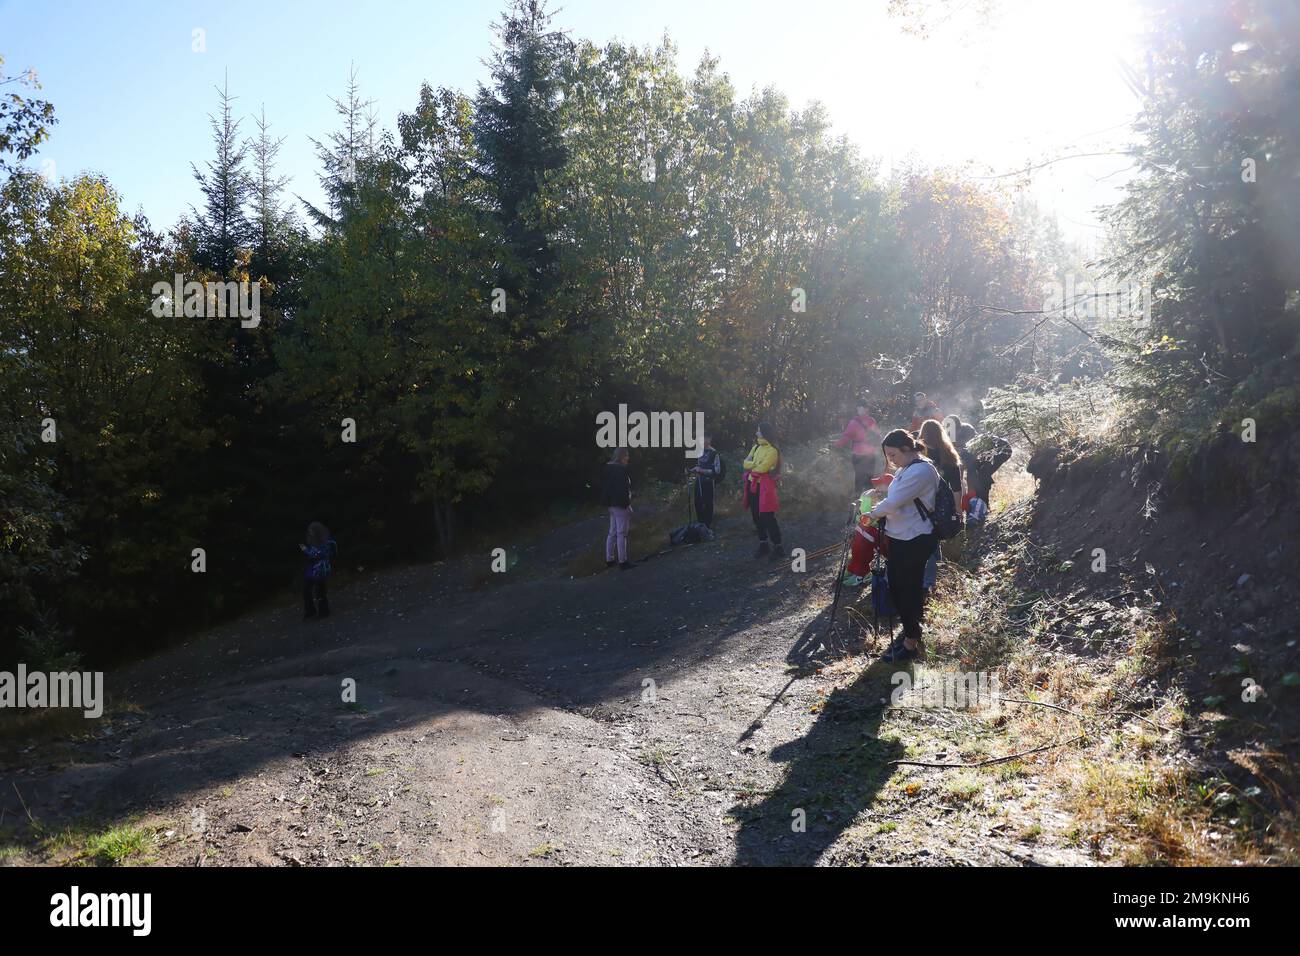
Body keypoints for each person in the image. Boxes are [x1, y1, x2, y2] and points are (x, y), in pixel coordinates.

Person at [867, 430, 939, 662]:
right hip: (902, 536)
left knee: (904, 589)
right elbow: (895, 496)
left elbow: (895, 501)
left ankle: (910, 642)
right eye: (888, 455)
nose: (890, 460)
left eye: (893, 454)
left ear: (907, 449)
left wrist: (873, 513)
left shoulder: (921, 470)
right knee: (900, 588)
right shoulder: (906, 468)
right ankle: (911, 632)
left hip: (914, 538)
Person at [919, 418, 964, 592]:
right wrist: (958, 507)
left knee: (927, 535)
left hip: (922, 502)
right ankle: (936, 565)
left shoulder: (920, 455)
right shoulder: (949, 454)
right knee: (935, 533)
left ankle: (928, 581)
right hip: (943, 504)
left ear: (923, 433)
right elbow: (957, 486)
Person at [840, 474, 892, 586]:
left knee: (863, 536)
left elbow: (875, 519)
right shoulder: (873, 494)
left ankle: (862, 574)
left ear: (890, 486)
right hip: (875, 531)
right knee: (859, 536)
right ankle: (854, 569)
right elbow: (865, 517)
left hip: (888, 537)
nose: (877, 486)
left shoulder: (891, 499)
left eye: (881, 484)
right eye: (877, 484)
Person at [741, 422, 782, 560]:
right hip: (753, 484)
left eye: (758, 430)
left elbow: (762, 469)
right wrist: (754, 465)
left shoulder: (773, 451)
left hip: (765, 488)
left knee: (768, 517)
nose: (756, 433)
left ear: (764, 432)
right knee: (756, 516)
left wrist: (752, 466)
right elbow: (745, 463)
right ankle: (763, 545)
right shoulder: (756, 447)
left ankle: (778, 547)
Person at [832, 400, 883, 495]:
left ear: (866, 409)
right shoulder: (871, 421)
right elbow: (878, 436)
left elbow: (846, 437)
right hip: (871, 455)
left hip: (858, 455)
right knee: (869, 480)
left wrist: (835, 445)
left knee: (859, 479)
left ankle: (858, 503)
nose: (859, 409)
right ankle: (867, 506)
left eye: (861, 407)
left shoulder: (853, 423)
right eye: (858, 408)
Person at [600, 447, 634, 571]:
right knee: (621, 533)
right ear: (621, 456)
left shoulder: (607, 468)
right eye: (626, 456)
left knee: (613, 531)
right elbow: (624, 490)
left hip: (611, 504)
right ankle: (623, 561)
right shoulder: (621, 470)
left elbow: (605, 487)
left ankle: (609, 559)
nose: (628, 458)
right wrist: (627, 505)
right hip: (620, 504)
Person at [300, 521, 337, 620]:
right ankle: (310, 610)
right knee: (306, 589)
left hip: (321, 567)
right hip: (312, 566)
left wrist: (305, 550)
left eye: (312, 530)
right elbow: (313, 553)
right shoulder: (312, 540)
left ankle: (324, 611)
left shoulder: (325, 541)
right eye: (309, 530)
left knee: (320, 590)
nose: (310, 532)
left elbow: (319, 554)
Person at [690, 433, 723, 528]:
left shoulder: (714, 453)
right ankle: (701, 525)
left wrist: (701, 471)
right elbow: (699, 466)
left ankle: (708, 526)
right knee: (698, 502)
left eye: (705, 438)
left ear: (710, 439)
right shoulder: (699, 451)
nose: (703, 441)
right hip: (699, 481)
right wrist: (692, 470)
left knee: (708, 503)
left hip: (708, 481)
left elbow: (717, 471)